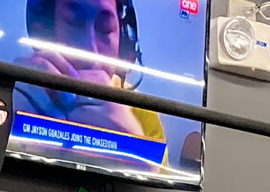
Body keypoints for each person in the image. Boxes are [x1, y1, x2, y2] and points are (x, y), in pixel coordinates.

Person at [11, 0, 167, 146]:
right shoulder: (19, 90)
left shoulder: (142, 113)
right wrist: (8, 120)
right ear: (45, 31)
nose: (91, 52)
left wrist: (129, 145)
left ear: (124, 39)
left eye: (106, 28)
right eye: (74, 22)